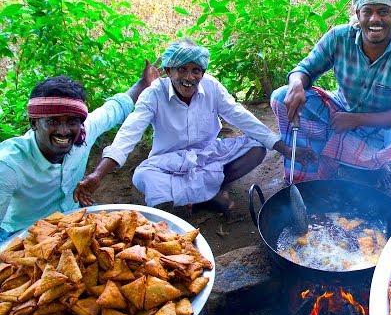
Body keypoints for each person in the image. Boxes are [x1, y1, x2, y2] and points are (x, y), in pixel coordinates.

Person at [75, 38, 304, 218]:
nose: (189, 77)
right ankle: (207, 195)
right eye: (182, 70)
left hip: (208, 155)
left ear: (203, 73)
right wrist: (97, 175)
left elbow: (240, 116)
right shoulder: (153, 94)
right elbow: (128, 134)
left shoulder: (212, 87)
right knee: (142, 176)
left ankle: (207, 192)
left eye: (196, 71)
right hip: (169, 161)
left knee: (257, 148)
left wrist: (282, 147)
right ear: (169, 72)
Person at [270, 0, 391, 187]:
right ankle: (321, 166)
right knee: (280, 97)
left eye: (383, 12)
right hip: (340, 115)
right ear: (358, 14)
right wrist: (296, 83)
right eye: (367, 12)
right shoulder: (339, 37)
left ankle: (370, 165)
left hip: (382, 126)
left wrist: (357, 119)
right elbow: (305, 69)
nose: (374, 19)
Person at [0, 62, 158, 241]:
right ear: (34, 123)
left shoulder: (84, 132)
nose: (64, 131)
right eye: (53, 122)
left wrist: (144, 83)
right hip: (23, 233)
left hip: (72, 218)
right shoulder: (9, 164)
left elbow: (115, 108)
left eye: (72, 121)